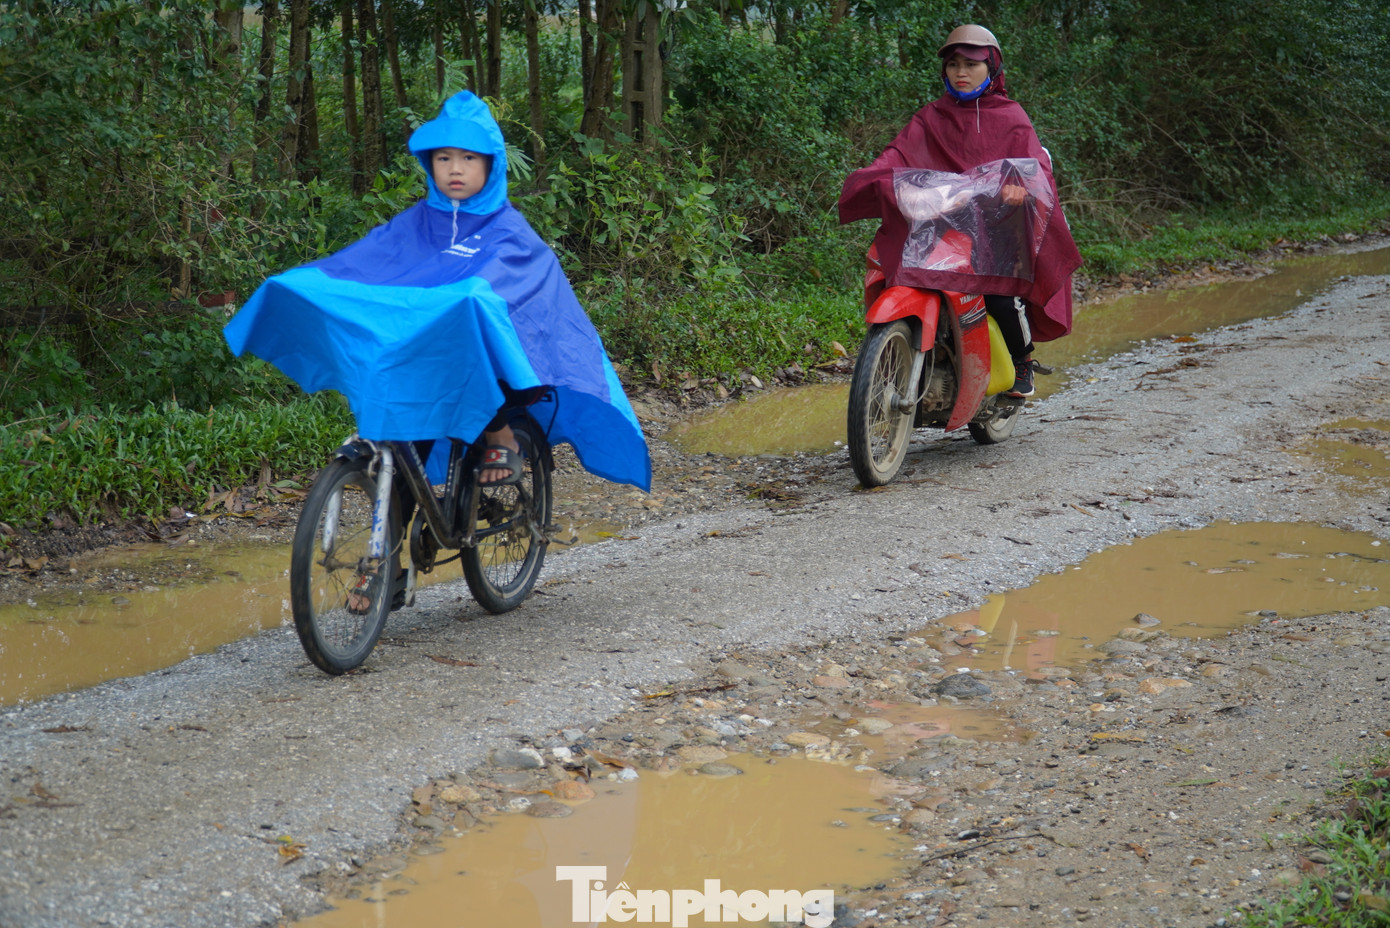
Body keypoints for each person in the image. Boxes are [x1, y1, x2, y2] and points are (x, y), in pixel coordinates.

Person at [224, 91, 652, 608]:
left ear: (491, 165)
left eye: (469, 157)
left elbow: (511, 295)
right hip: (422, 369)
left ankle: (500, 432)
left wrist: (466, 298)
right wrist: (302, 283)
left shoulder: (509, 231)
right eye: (444, 157)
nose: (455, 168)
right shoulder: (413, 225)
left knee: (473, 308)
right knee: (399, 463)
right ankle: (384, 569)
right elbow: (359, 266)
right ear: (429, 164)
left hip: (490, 377)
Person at [838, 24, 1083, 398]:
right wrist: (876, 175)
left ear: (992, 67)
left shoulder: (1011, 116)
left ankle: (1022, 360)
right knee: (902, 276)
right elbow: (897, 154)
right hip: (940, 226)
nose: (961, 72)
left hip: (997, 229)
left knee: (1000, 297)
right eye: (953, 64)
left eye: (971, 64)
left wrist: (1021, 188)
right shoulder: (930, 117)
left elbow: (1035, 166)